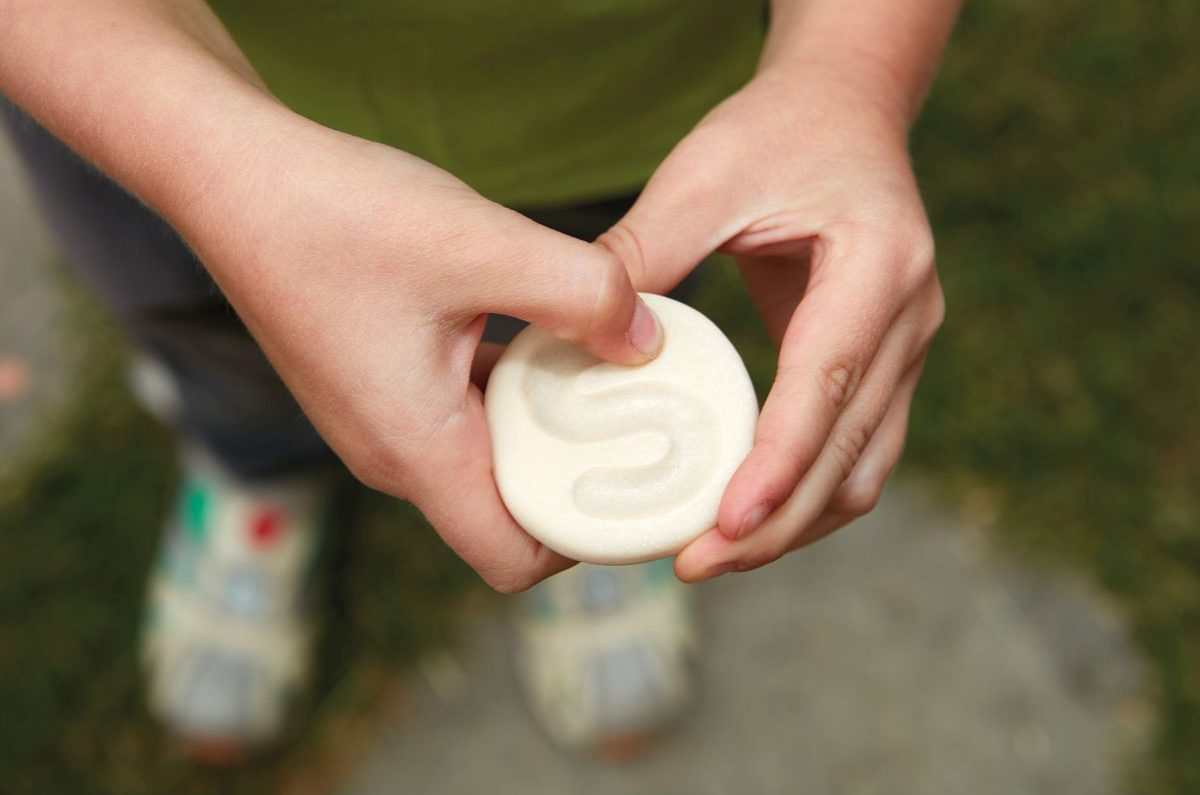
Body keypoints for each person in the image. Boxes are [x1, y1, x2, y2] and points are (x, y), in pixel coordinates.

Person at [0, 0, 956, 761]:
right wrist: (213, 166)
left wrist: (847, 63)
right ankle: (256, 469)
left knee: (606, 328)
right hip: (154, 88)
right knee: (213, 331)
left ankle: (602, 537)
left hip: (625, 107)